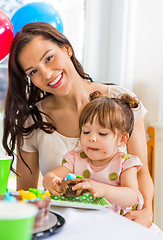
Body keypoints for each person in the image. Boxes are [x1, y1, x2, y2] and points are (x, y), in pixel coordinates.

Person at [3, 22, 153, 227]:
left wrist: (147, 212)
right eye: (33, 72)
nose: (46, 74)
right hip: (66, 229)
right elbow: (27, 195)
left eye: (49, 58)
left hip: (124, 224)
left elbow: (142, 172)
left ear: (67, 49)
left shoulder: (121, 100)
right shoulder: (34, 121)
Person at [43, 92, 163, 236]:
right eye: (86, 131)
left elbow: (131, 195)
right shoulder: (76, 158)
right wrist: (51, 182)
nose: (92, 138)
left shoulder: (125, 163)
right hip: (88, 225)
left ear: (121, 139)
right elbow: (51, 176)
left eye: (102, 134)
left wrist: (103, 190)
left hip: (120, 225)